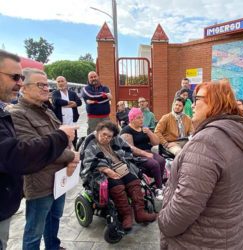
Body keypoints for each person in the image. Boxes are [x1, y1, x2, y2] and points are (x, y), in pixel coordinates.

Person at [158, 80, 243, 249]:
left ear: (215, 102)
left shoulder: (207, 143)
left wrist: (163, 223)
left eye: (197, 99)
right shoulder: (237, 132)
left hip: (201, 239)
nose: (192, 105)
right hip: (231, 232)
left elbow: (185, 205)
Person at [0, 50, 77, 250]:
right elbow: (34, 150)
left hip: (59, 178)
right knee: (34, 230)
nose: (46, 89)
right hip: (39, 182)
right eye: (40, 85)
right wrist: (72, 156)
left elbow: (60, 142)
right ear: (24, 88)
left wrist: (68, 149)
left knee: (54, 220)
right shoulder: (16, 114)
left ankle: (53, 246)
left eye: (47, 85)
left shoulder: (46, 109)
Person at [82, 121, 157, 231]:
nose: (106, 138)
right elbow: (88, 161)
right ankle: (126, 215)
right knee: (117, 185)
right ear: (98, 131)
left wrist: (123, 159)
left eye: (109, 136)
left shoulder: (115, 138)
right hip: (100, 172)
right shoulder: (90, 141)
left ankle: (140, 213)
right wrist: (107, 170)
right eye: (104, 134)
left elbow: (127, 149)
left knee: (134, 181)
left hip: (119, 166)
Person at [120, 108, 166, 200]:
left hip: (148, 152)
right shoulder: (126, 131)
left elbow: (156, 142)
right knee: (155, 164)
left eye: (142, 117)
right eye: (138, 118)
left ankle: (158, 184)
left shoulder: (144, 128)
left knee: (162, 160)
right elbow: (130, 148)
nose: (142, 120)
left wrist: (149, 132)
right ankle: (159, 189)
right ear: (132, 119)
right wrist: (144, 154)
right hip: (136, 156)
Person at [52, 76, 82, 149]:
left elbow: (79, 102)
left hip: (72, 122)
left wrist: (74, 104)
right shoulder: (55, 93)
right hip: (61, 123)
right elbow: (56, 101)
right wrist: (68, 102)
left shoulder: (72, 93)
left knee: (74, 141)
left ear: (66, 82)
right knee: (63, 142)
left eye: (62, 81)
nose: (60, 83)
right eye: (58, 82)